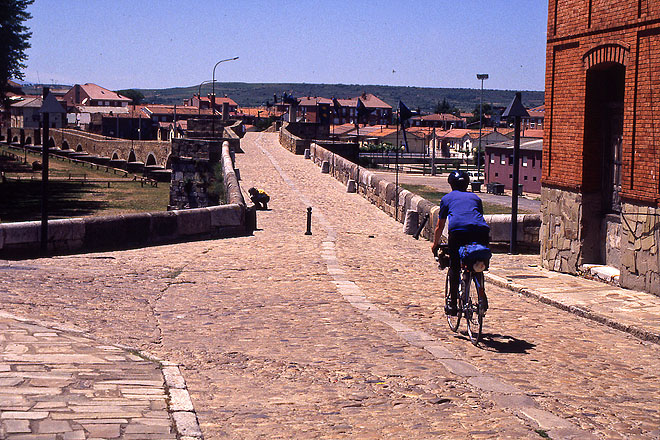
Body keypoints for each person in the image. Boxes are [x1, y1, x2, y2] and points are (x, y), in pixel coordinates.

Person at [431, 170, 490, 315]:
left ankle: (452, 303)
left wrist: (435, 244)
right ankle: (481, 292)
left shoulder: (447, 198)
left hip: (458, 232)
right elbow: (476, 217)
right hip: (481, 231)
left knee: (455, 266)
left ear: (451, 184)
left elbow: (440, 226)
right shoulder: (475, 198)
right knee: (478, 258)